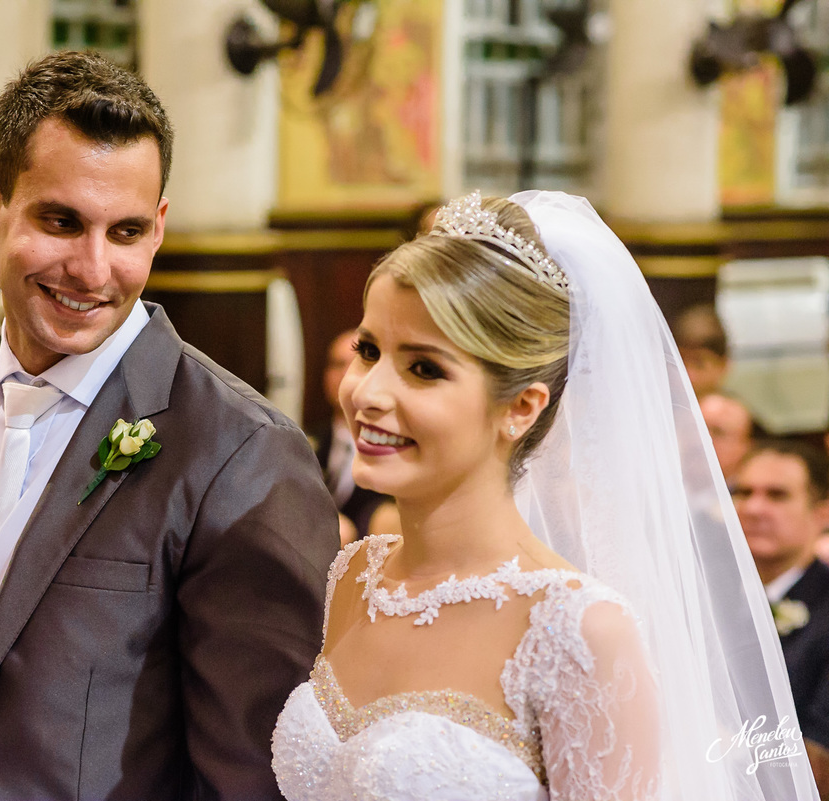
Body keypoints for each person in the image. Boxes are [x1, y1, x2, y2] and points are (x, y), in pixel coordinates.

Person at [0, 51, 339, 801]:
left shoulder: (242, 452)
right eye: (61, 221)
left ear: (160, 229)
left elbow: (253, 776)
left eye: (127, 231)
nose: (92, 268)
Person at [271, 191, 817, 800]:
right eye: (368, 351)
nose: (368, 392)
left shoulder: (577, 630)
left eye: (424, 369)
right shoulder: (353, 576)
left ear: (521, 408)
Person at [733, 439, 829, 787]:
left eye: (777, 495)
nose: (754, 508)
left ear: (822, 513)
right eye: (743, 492)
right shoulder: (706, 597)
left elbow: (818, 755)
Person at [316, 329, 390, 544]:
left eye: (363, 361)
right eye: (338, 364)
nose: (347, 374)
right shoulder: (303, 441)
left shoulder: (398, 445)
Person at [674, 302, 730, 398]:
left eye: (699, 364)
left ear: (723, 364)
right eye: (681, 364)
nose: (689, 375)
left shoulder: (726, 411)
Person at [700, 392, 757, 481]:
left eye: (718, 432)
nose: (702, 440)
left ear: (745, 446)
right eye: (696, 430)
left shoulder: (754, 491)